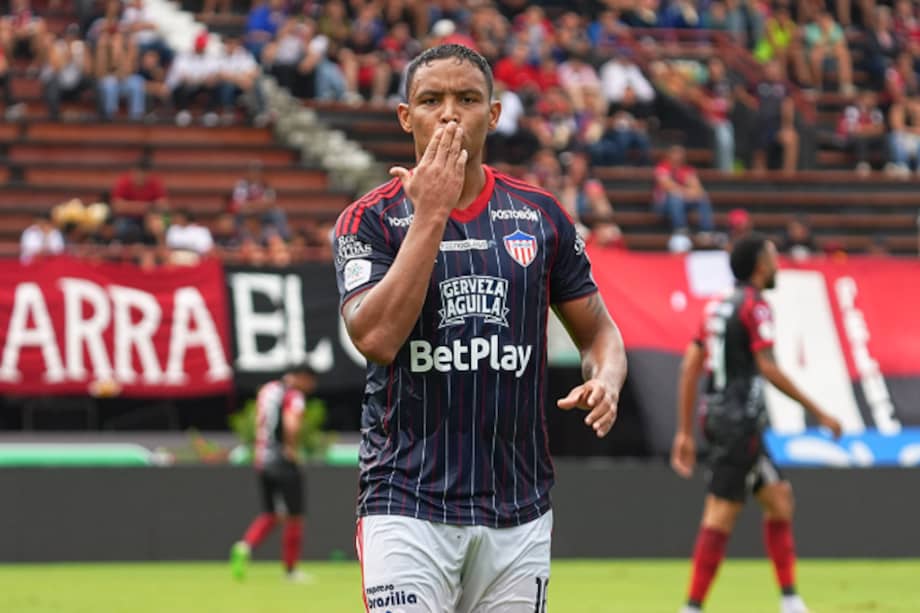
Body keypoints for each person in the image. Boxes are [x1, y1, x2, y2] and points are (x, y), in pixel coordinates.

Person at [333, 44, 627, 612]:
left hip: (518, 509)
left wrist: (607, 378)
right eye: (431, 100)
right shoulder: (368, 220)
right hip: (405, 503)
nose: (449, 114)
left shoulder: (541, 216)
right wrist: (432, 214)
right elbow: (375, 338)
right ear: (405, 116)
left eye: (467, 99)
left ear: (492, 115)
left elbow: (600, 334)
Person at [671, 235, 843, 613]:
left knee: (779, 498)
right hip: (740, 421)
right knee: (721, 512)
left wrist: (685, 431)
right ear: (760, 266)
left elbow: (689, 367)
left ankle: (790, 599)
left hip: (719, 417)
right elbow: (768, 367)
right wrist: (819, 411)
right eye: (773, 256)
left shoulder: (716, 306)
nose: (778, 263)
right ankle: (692, 606)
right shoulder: (755, 306)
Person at [230, 363, 317, 582]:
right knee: (294, 516)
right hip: (283, 462)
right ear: (302, 377)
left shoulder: (268, 389)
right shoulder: (293, 395)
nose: (311, 386)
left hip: (263, 461)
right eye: (310, 380)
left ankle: (245, 546)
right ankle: (290, 571)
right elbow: (291, 424)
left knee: (272, 513)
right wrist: (292, 450)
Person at [653, 145, 715, 238]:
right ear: (669, 155)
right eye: (675, 154)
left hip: (683, 202)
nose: (678, 157)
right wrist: (687, 192)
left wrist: (691, 192)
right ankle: (680, 229)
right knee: (675, 196)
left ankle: (706, 231)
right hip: (662, 205)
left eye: (680, 155)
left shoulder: (687, 169)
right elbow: (668, 186)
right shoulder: (662, 167)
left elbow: (698, 189)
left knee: (703, 197)